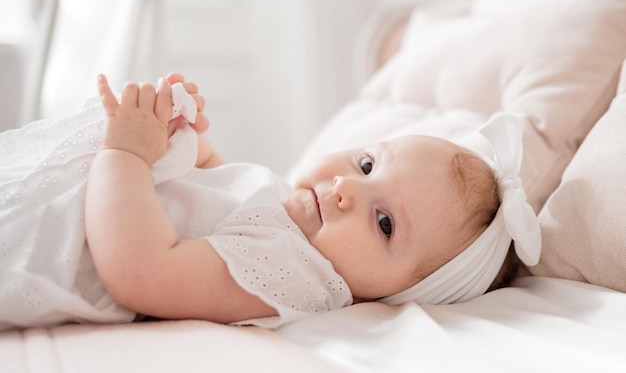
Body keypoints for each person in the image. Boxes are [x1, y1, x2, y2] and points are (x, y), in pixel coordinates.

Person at [0, 73, 540, 330]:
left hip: (47, 247)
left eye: (384, 223)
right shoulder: (287, 210)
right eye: (368, 165)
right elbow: (221, 188)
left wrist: (126, 154)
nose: (347, 188)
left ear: (394, 295)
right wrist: (186, 139)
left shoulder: (297, 276)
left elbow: (142, 271)